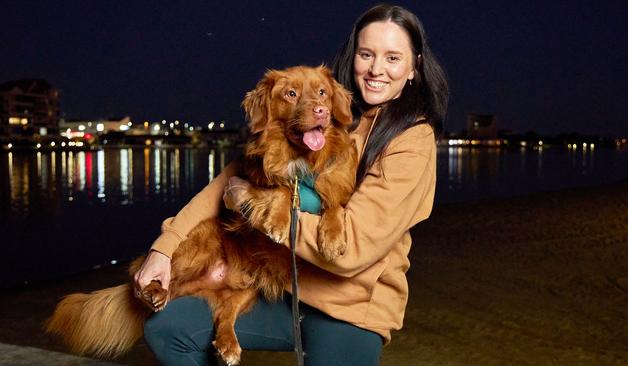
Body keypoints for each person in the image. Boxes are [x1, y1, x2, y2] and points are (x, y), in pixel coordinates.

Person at [134, 4, 448, 366]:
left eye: (393, 57)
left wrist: (253, 205)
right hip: (285, 289)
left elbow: (350, 250)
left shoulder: (413, 140)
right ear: (354, 56)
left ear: (414, 67)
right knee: (167, 328)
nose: (377, 68)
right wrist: (164, 248)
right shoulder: (342, 114)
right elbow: (226, 183)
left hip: (350, 307)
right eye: (367, 54)